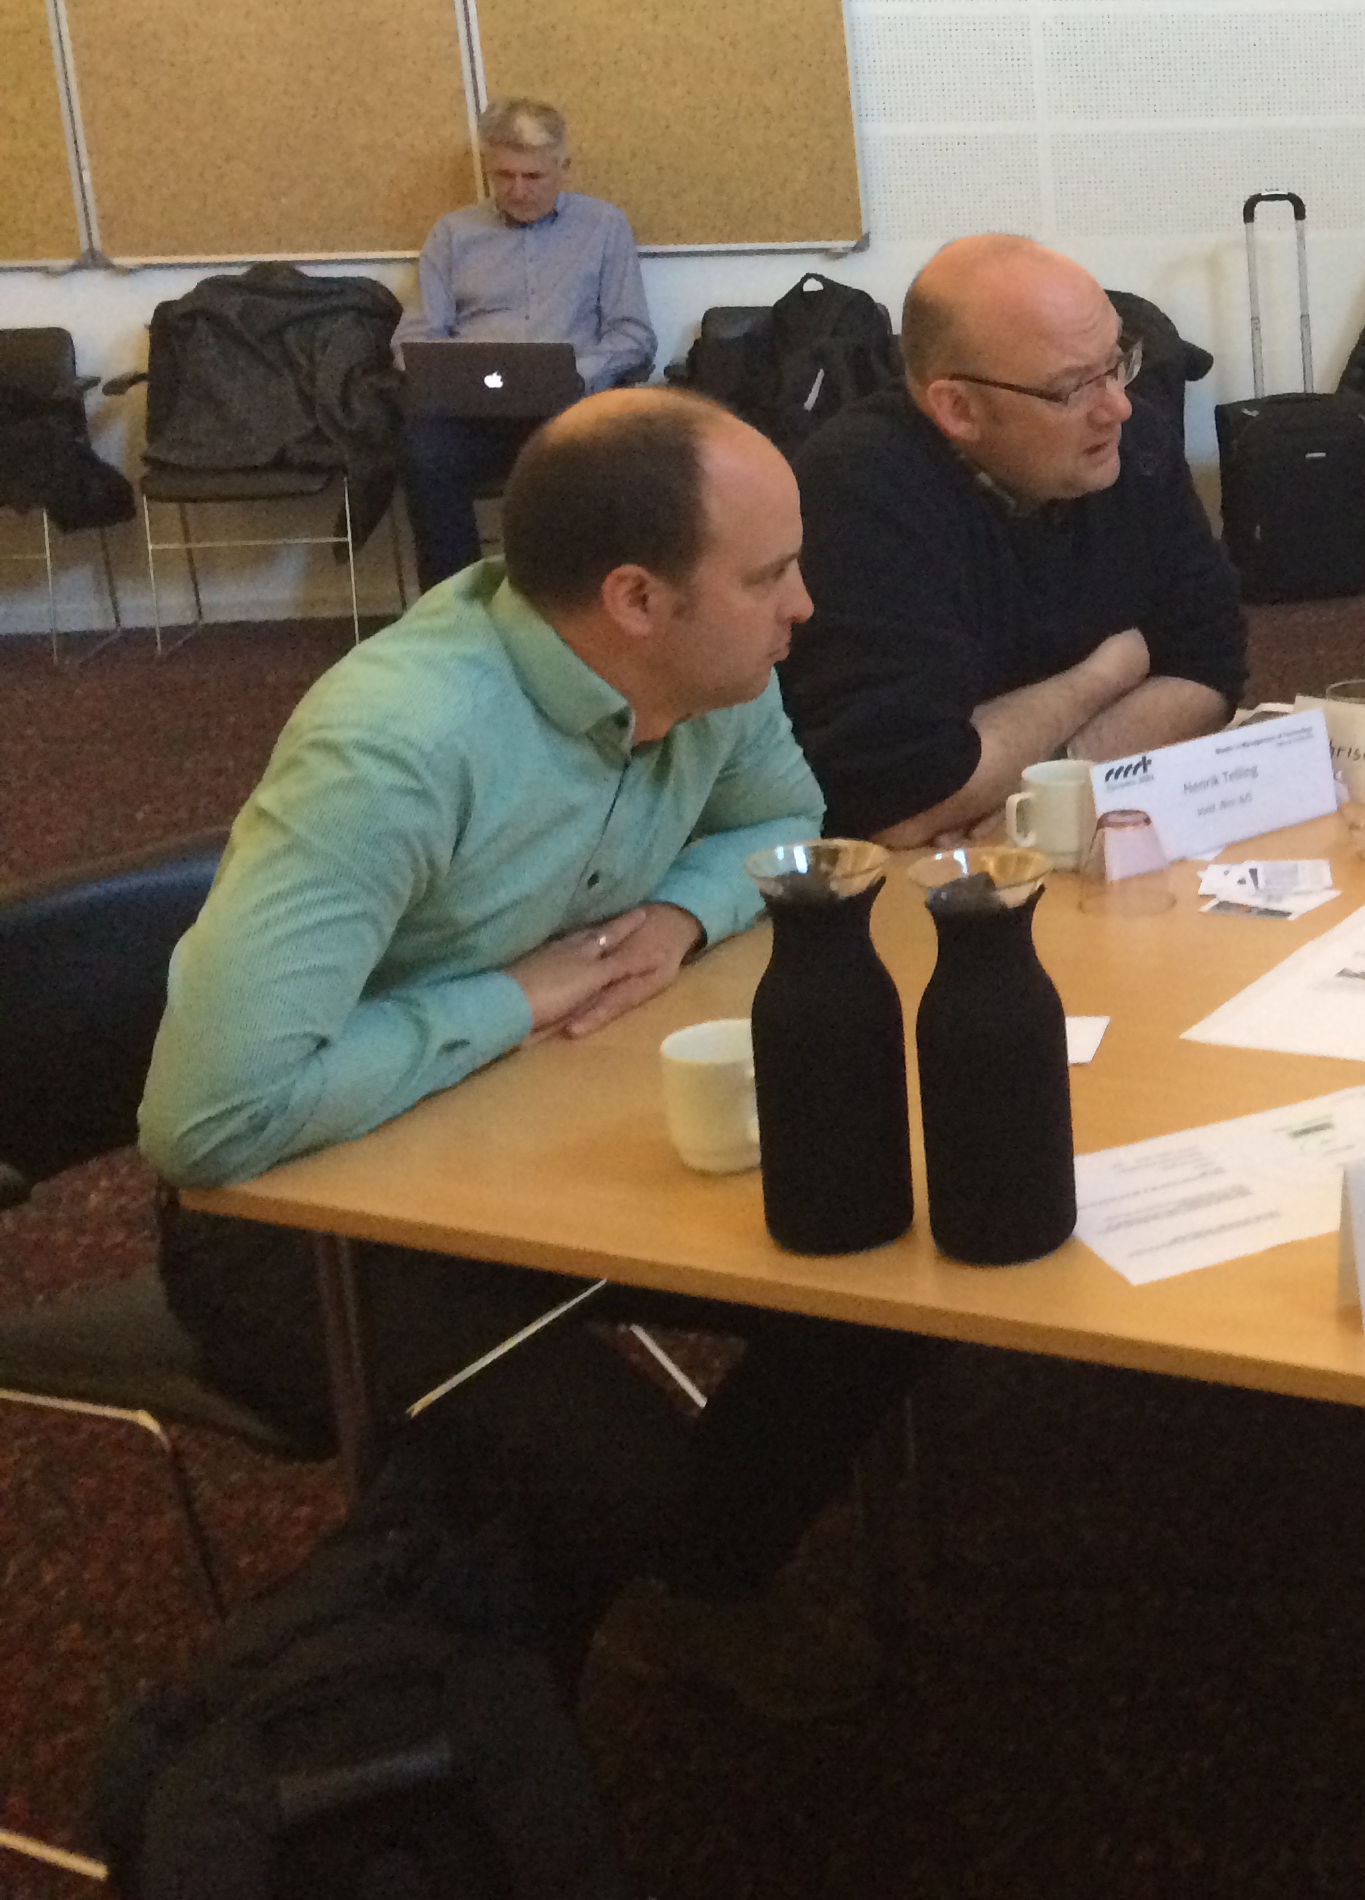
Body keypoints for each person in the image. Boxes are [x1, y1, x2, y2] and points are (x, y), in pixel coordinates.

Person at [140, 390, 917, 1715]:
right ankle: (657, 1603)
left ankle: (690, 1577)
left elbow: (785, 823)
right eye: (770, 576)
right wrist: (514, 995)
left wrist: (680, 916)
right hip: (305, 1212)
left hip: (524, 1121)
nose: (804, 606)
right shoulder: (397, 743)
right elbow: (212, 1120)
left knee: (894, 1269)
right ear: (636, 600)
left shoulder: (708, 672)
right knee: (636, 1480)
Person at [779, 234, 1247, 846]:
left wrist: (1058, 782)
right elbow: (901, 802)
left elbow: (1210, 675)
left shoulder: (1133, 447)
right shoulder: (858, 490)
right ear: (959, 409)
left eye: (1116, 363)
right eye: (1073, 387)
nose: (1119, 408)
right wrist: (1110, 672)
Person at [396, 97, 657, 588]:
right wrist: (450, 376)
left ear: (564, 168)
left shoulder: (604, 227)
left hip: (566, 408)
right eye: (504, 176)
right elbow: (415, 336)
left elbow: (634, 334)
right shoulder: (453, 234)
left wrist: (576, 372)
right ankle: (456, 603)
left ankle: (569, 600)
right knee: (423, 453)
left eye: (533, 176)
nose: (517, 190)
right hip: (472, 412)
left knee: (591, 462)